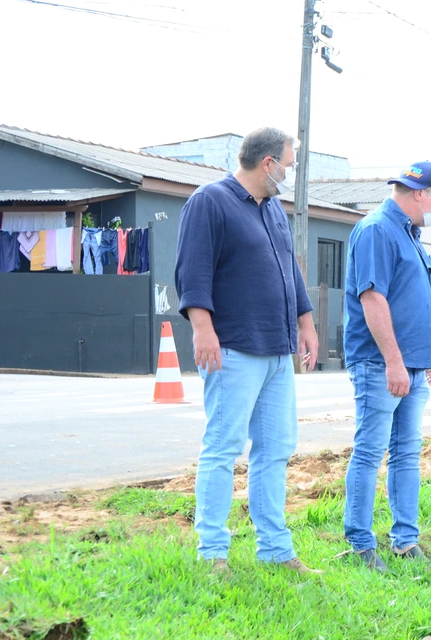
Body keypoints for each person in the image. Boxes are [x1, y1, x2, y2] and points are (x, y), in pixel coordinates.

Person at [174, 127, 321, 575]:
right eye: (289, 166)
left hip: (277, 351)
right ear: (267, 163)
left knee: (275, 450)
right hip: (233, 347)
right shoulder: (210, 201)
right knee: (223, 447)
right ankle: (212, 553)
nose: (291, 175)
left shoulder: (273, 208)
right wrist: (202, 328)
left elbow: (290, 271)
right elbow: (192, 269)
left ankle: (276, 550)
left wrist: (306, 323)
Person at [342, 162, 431, 572]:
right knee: (369, 453)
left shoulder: (409, 235)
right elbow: (373, 300)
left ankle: (406, 540)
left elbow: (413, 300)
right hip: (381, 366)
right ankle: (360, 544)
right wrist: (395, 363)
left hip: (412, 367)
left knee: (406, 454)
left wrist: (428, 355)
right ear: (419, 193)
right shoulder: (376, 230)